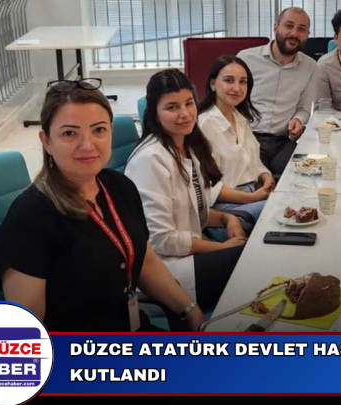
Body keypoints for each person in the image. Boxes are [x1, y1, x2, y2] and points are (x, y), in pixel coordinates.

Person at [0, 78, 204, 332]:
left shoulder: (119, 186)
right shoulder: (30, 218)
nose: (88, 145)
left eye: (99, 130)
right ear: (46, 141)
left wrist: (189, 309)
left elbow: (145, 261)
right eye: (69, 133)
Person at [125, 69, 245, 315]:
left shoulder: (188, 145)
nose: (185, 114)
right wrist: (223, 248)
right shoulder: (150, 159)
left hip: (191, 253)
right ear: (154, 113)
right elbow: (162, 240)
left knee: (258, 244)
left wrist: (227, 218)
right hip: (168, 273)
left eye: (189, 103)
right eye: (172, 107)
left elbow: (192, 209)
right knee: (252, 259)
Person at [237, 7, 318, 177]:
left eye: (301, 29)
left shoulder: (311, 66)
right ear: (276, 28)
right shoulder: (246, 59)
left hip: (285, 141)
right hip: (248, 137)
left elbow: (304, 109)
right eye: (289, 26)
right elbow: (232, 102)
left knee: (309, 174)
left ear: (307, 35)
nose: (294, 33)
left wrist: (298, 120)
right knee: (255, 182)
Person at [198, 56, 273, 221]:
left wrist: (265, 176)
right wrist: (251, 198)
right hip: (223, 208)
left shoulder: (240, 118)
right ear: (213, 84)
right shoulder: (204, 125)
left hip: (252, 195)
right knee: (281, 208)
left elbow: (254, 161)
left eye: (243, 82)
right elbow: (207, 187)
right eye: (229, 80)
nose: (237, 88)